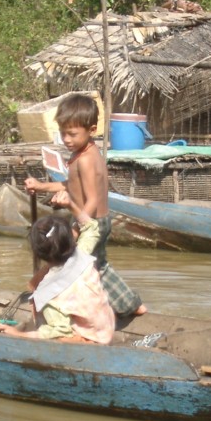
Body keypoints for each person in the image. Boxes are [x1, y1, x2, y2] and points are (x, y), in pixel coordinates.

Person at [24, 93, 146, 317]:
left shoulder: (87, 160)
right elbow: (70, 184)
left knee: (79, 265)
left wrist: (76, 229)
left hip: (91, 221)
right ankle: (128, 304)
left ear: (91, 130)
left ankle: (129, 305)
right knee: (94, 266)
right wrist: (41, 186)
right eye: (63, 133)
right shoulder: (82, 154)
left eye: (72, 134)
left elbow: (92, 200)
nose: (66, 139)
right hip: (88, 219)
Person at [0, 202, 114, 344]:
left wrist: (18, 334)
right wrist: (71, 205)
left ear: (38, 253)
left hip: (90, 340)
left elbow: (58, 331)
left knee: (53, 327)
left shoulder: (49, 293)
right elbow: (91, 227)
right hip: (106, 327)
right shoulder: (81, 254)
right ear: (71, 239)